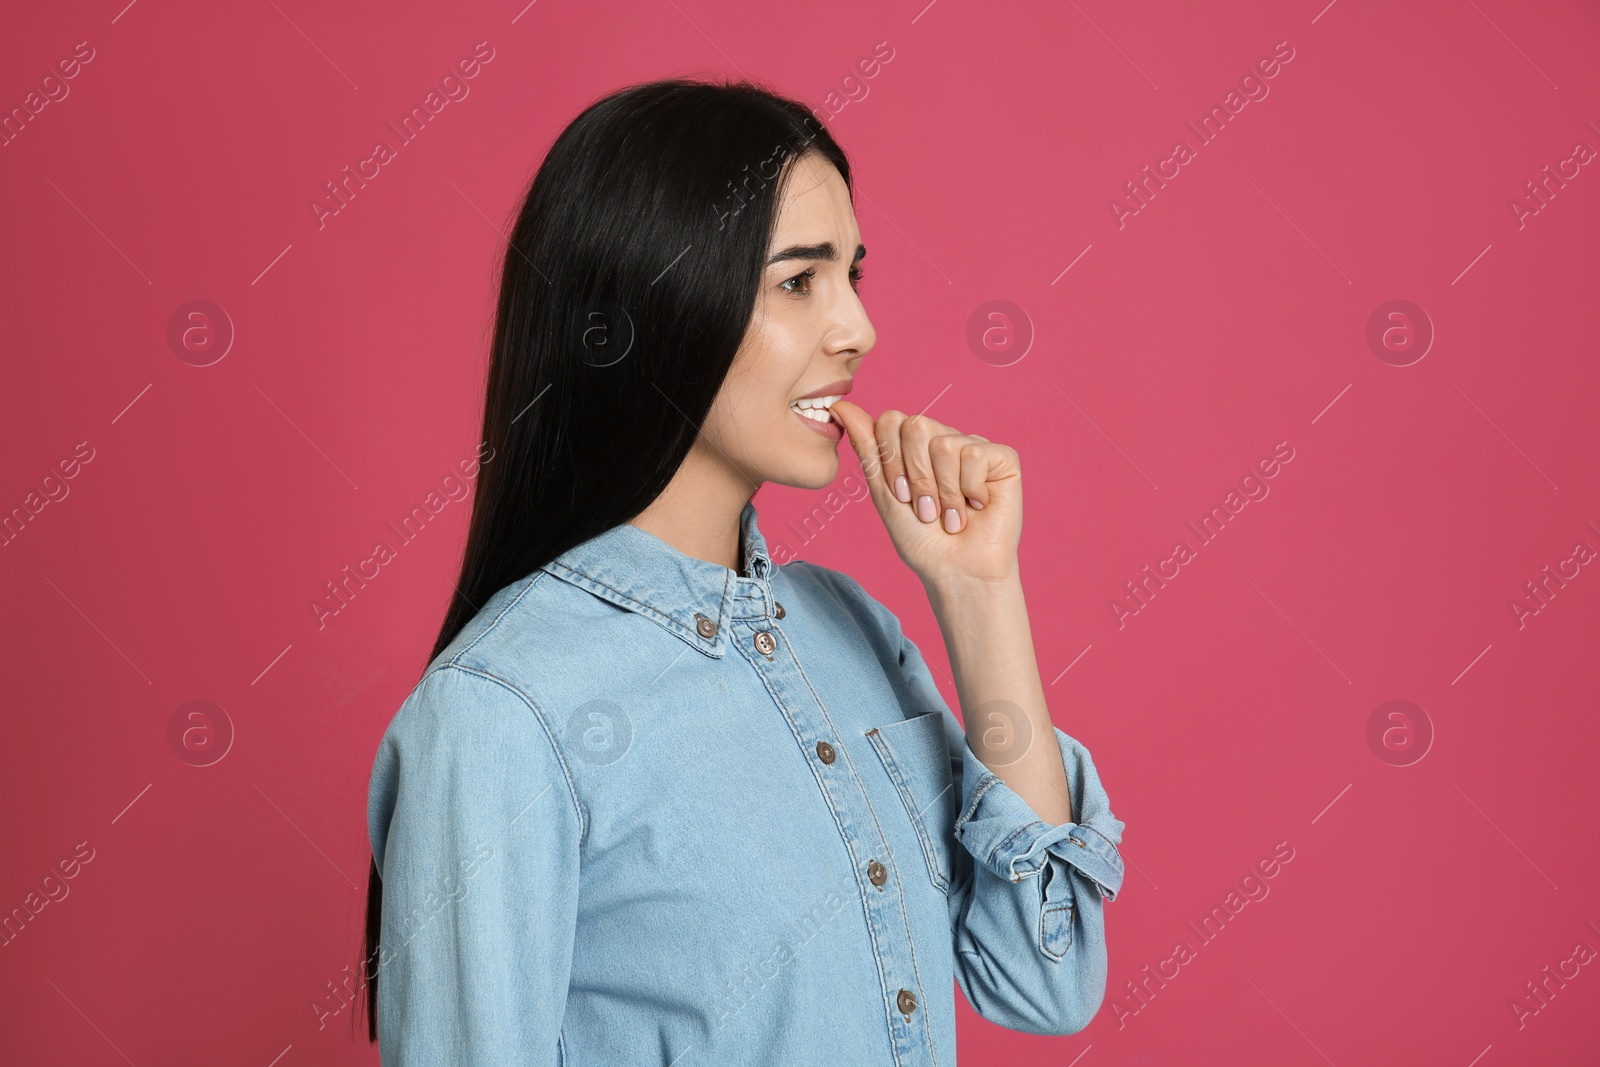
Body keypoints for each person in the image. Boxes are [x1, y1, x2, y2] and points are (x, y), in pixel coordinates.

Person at [362, 76, 1125, 1065]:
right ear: (655, 299)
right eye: (799, 280)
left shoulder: (847, 625)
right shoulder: (501, 713)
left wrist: (977, 592)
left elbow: (1044, 976)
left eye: (854, 274)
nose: (857, 328)